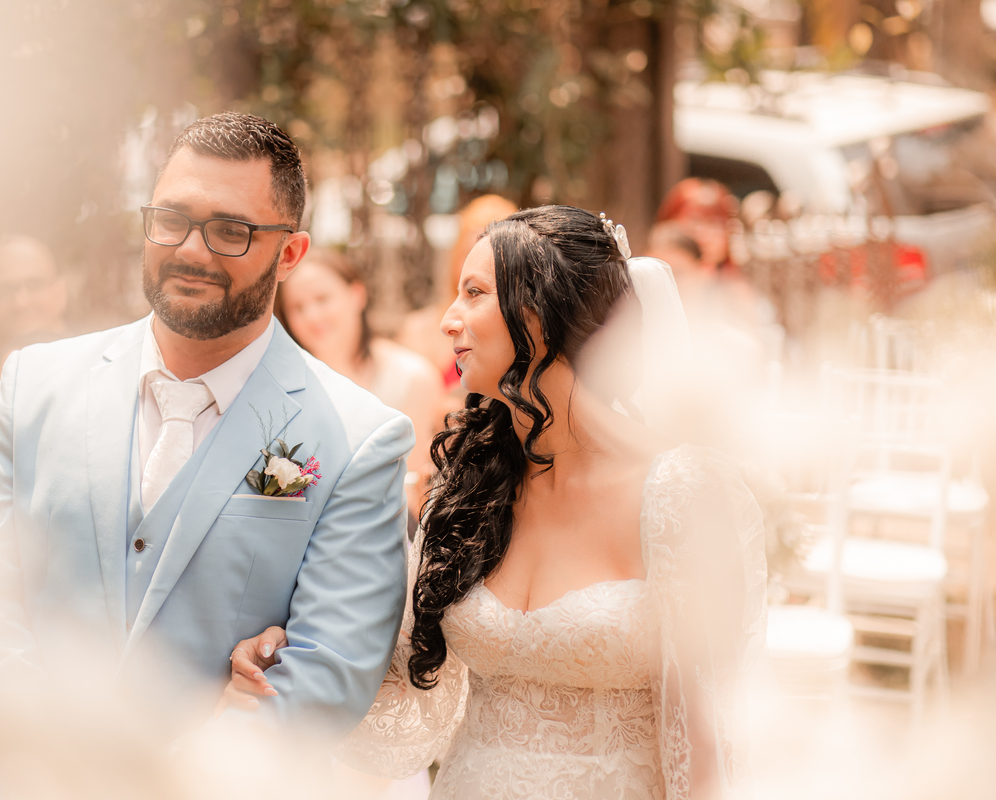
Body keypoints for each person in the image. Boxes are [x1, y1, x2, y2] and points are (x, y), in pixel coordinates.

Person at [225, 206, 767, 799]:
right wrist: (286, 649)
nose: (448, 321)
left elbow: (712, 740)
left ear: (541, 315)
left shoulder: (683, 493)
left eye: (474, 293)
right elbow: (391, 664)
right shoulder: (470, 490)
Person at [0, 112, 413, 795]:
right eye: (171, 218)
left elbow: (331, 668)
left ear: (290, 254)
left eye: (230, 231)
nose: (191, 250)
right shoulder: (32, 387)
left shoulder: (358, 436)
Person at [276, 247, 443, 521]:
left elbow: (418, 487)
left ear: (357, 295)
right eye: (297, 307)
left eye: (322, 299)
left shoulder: (412, 377)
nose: (312, 316)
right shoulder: (283, 386)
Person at [397, 195, 518, 402]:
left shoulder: (528, 335)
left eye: (492, 257)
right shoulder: (419, 330)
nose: (478, 265)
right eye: (469, 252)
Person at [0, 234, 68, 346]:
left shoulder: (94, 359)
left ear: (60, 293)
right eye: (5, 291)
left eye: (34, 286)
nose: (20, 303)